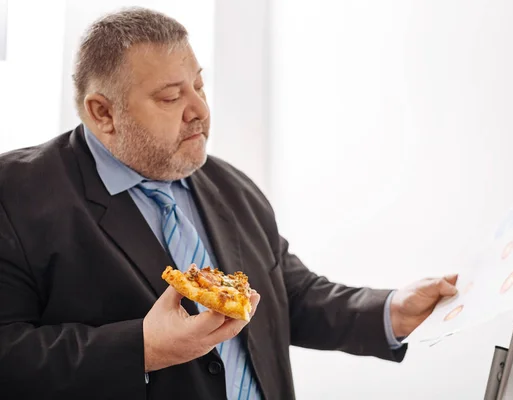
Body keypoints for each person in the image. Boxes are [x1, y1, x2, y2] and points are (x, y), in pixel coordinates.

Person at [0, 7, 458, 400]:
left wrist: (391, 310)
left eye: (199, 86)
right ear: (103, 113)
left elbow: (289, 294)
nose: (198, 109)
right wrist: (141, 348)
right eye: (171, 96)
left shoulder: (228, 184)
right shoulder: (14, 195)